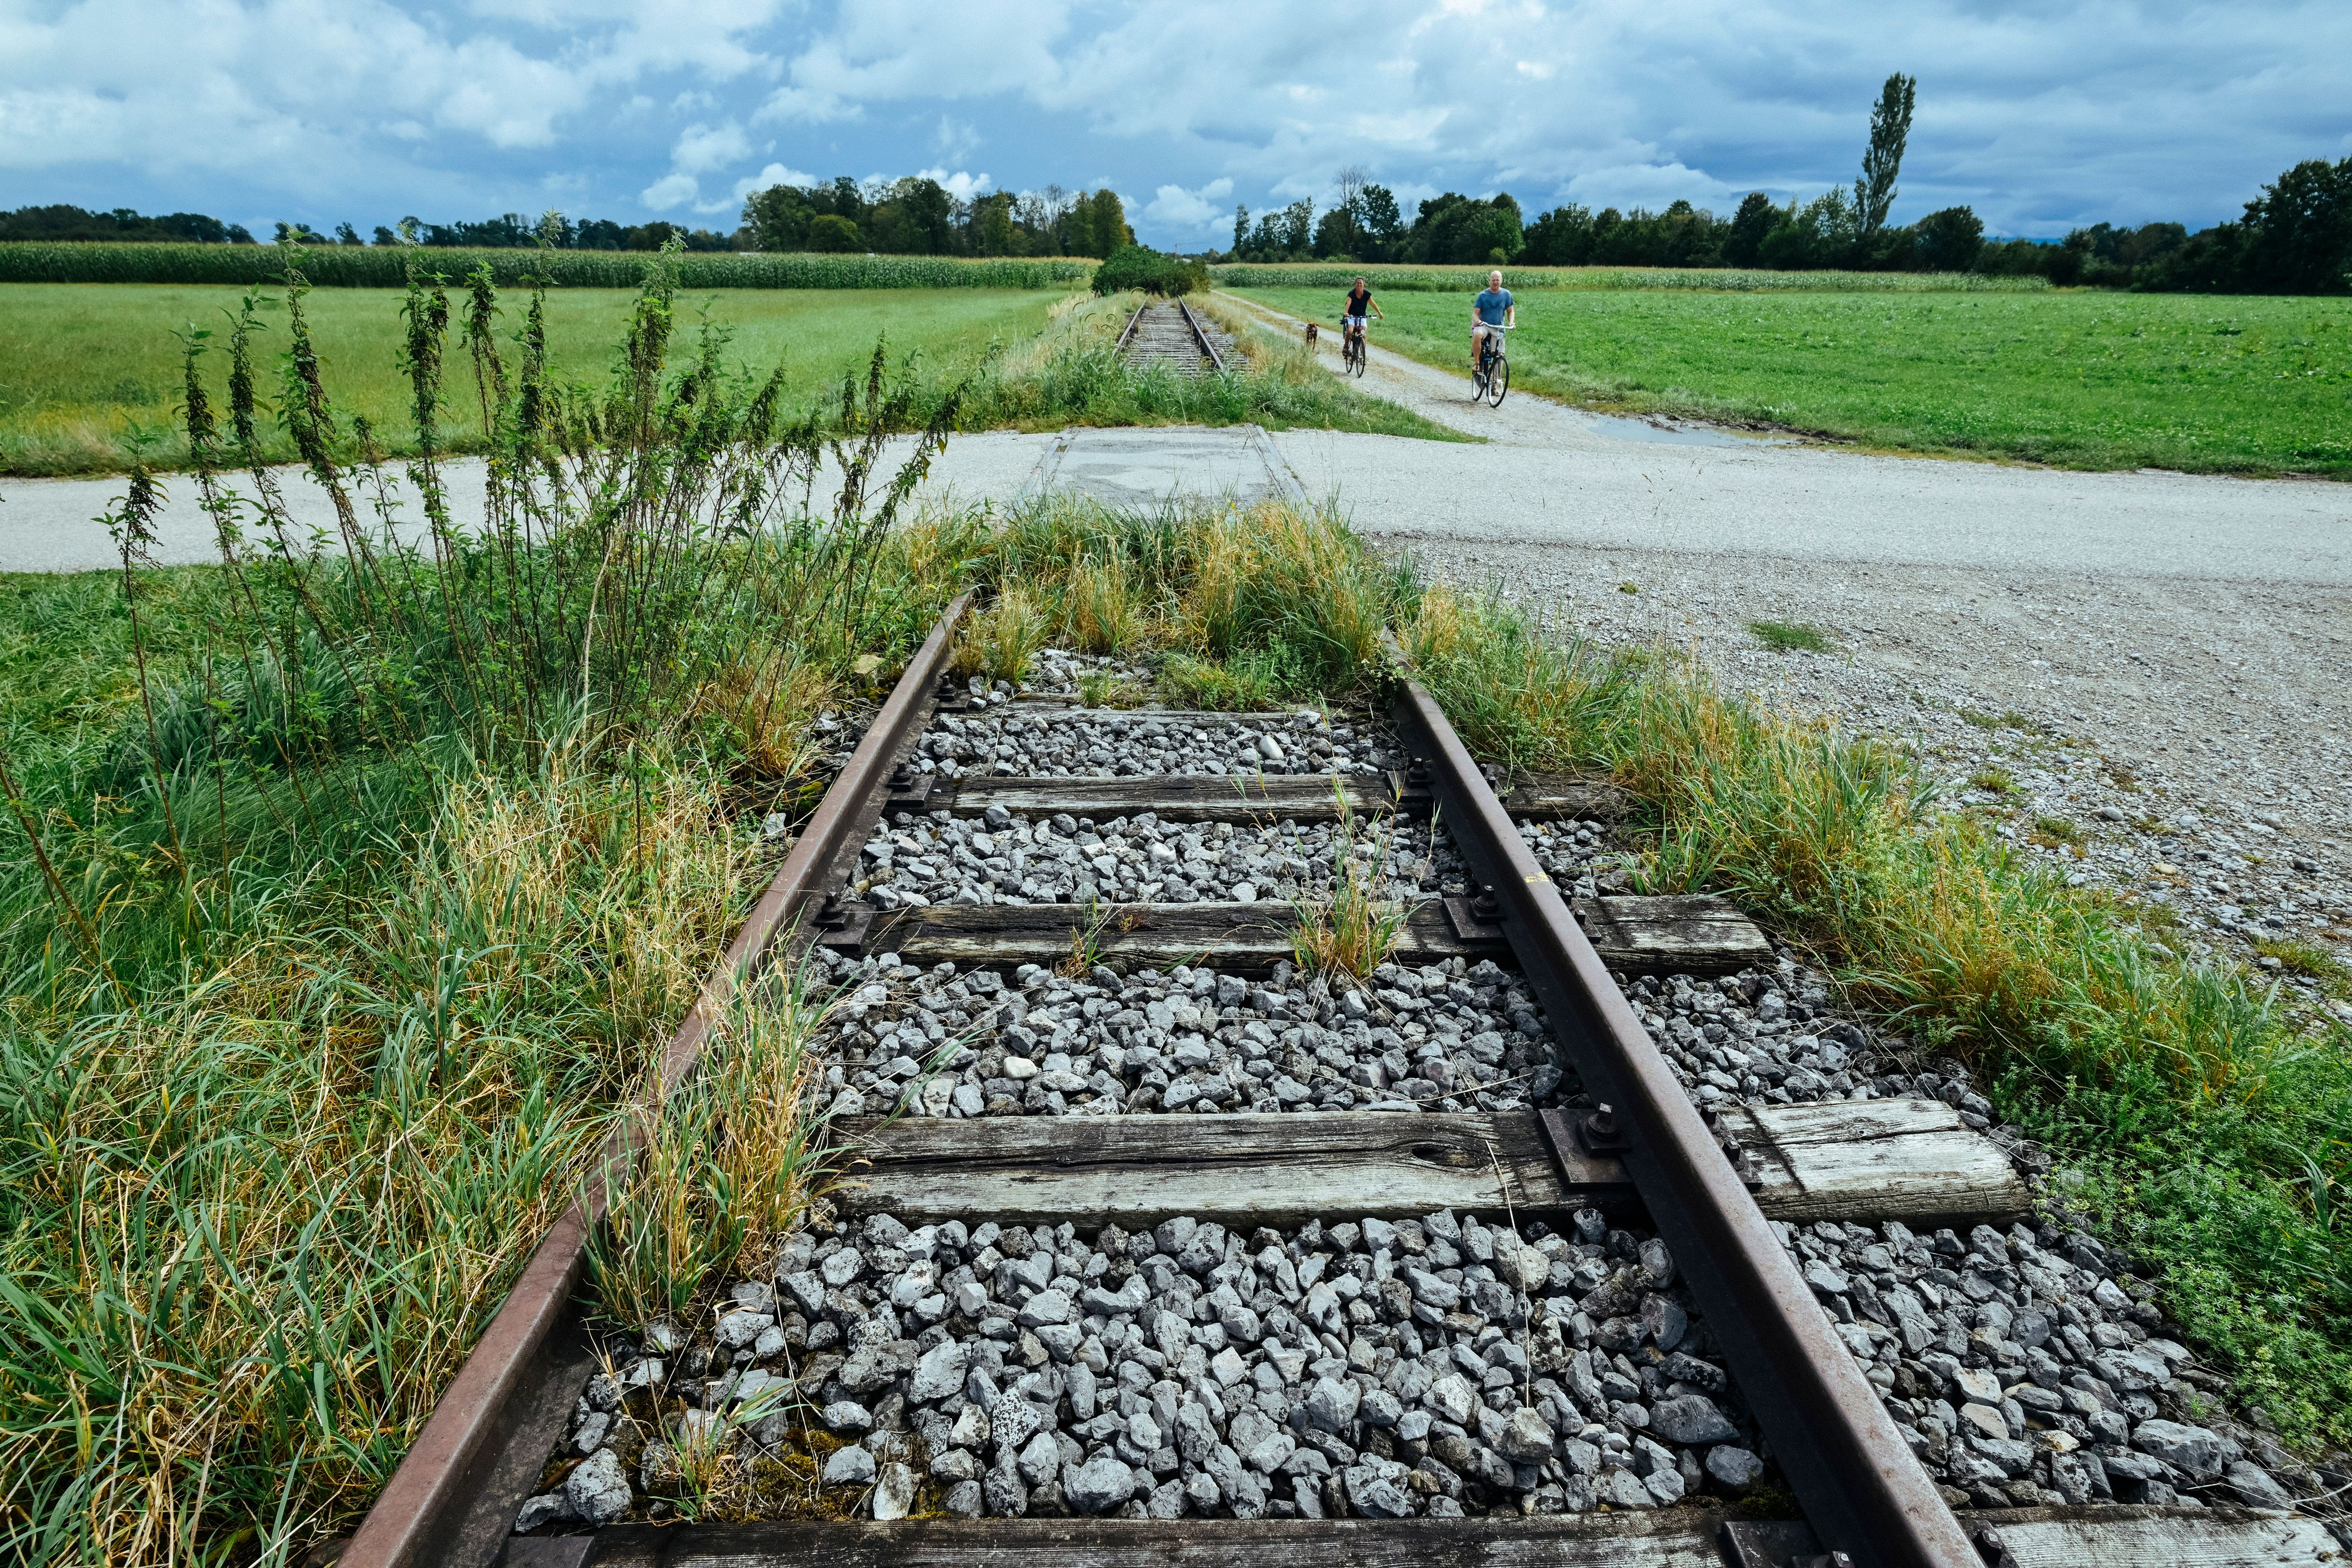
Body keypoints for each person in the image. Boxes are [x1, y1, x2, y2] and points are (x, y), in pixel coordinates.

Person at [1470, 269, 1514, 380]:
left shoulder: (1506, 294)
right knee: (1477, 334)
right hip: (1484, 325)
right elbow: (1475, 314)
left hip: (1498, 328)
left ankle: (1495, 383)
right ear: (1490, 281)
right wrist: (1477, 321)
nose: (1495, 282)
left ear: (1501, 281)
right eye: (1493, 280)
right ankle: (1477, 363)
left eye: (1497, 280)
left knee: (1499, 356)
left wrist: (1511, 323)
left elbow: (1510, 311)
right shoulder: (1483, 295)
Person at [1341, 275, 1382, 357]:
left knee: (1363, 333)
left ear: (1364, 284)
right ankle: (1346, 347)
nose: (1359, 285)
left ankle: (1363, 353)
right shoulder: (1351, 294)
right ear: (1355, 284)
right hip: (1351, 316)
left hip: (1362, 317)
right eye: (1358, 283)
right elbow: (1348, 303)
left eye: (1361, 283)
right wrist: (1346, 313)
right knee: (1350, 331)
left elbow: (1373, 303)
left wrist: (1379, 313)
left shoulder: (1367, 294)